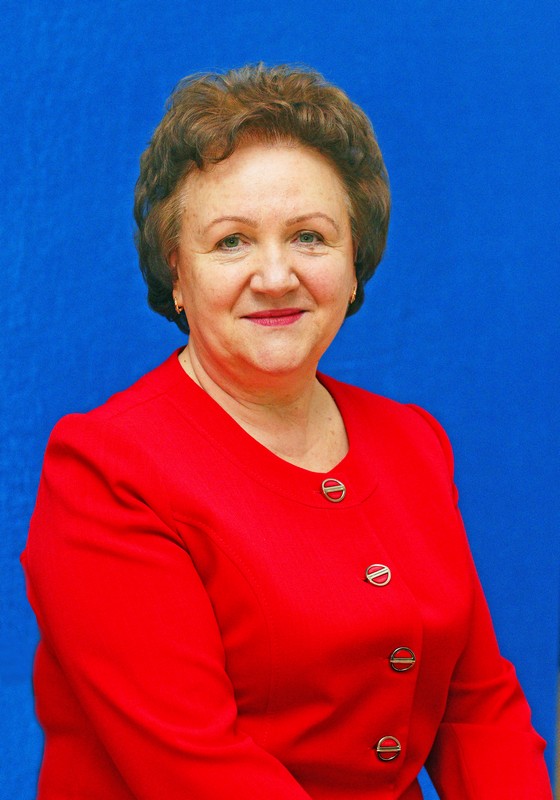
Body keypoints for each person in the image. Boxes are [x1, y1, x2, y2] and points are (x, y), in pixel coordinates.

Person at [22, 64, 553, 799]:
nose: (276, 276)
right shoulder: (106, 469)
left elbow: (478, 712)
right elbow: (195, 768)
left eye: (309, 236)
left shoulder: (411, 442)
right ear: (176, 273)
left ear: (355, 262)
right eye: (231, 242)